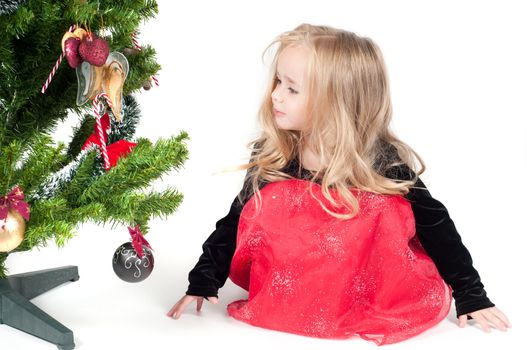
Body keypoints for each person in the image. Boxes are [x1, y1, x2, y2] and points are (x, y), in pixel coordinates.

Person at [167, 23, 511, 345]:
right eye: (277, 82)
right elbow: (235, 221)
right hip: (295, 277)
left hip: (361, 282)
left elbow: (436, 224)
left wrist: (470, 292)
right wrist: (204, 278)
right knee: (267, 199)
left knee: (385, 207)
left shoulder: (380, 161)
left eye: (292, 88)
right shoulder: (277, 153)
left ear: (337, 102)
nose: (275, 95)